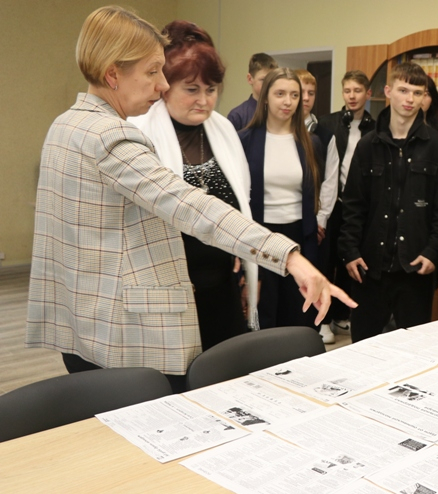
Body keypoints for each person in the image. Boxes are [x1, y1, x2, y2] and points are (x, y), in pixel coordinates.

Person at [26, 6, 354, 393]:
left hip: (83, 321)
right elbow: (192, 206)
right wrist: (291, 258)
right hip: (120, 331)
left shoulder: (66, 124)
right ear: (113, 74)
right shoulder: (110, 137)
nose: (161, 85)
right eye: (152, 72)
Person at [128, 21, 255, 351]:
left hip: (223, 284)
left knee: (227, 366)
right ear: (165, 86)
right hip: (168, 292)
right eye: (191, 89)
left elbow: (242, 203)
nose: (204, 100)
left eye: (211, 90)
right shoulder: (138, 132)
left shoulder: (223, 130)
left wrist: (244, 261)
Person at [339, 62, 438, 342]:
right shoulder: (367, 145)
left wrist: (433, 252)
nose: (410, 99)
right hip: (369, 267)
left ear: (425, 97)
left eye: (417, 93)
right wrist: (350, 250)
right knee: (363, 348)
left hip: (415, 268)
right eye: (403, 90)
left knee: (412, 349)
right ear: (388, 91)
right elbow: (353, 205)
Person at [239, 67, 327, 330]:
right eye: (280, 94)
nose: (288, 102)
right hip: (260, 237)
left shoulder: (311, 143)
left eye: (294, 95)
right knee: (264, 319)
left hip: (300, 238)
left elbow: (315, 194)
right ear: (265, 97)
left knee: (299, 318)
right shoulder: (244, 141)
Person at [318, 70, 376, 337]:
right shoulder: (328, 123)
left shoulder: (375, 127)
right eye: (347, 91)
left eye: (357, 91)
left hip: (359, 205)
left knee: (349, 260)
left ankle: (341, 314)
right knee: (327, 260)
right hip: (334, 202)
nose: (352, 96)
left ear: (368, 93)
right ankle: (323, 318)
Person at [296, 68, 340, 343]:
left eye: (311, 93)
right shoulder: (275, 131)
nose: (306, 98)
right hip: (290, 218)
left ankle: (320, 322)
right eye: (301, 92)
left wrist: (321, 219)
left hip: (317, 220)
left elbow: (330, 180)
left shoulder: (325, 135)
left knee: (318, 269)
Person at [227, 52, 278, 131]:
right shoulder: (237, 116)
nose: (269, 84)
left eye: (272, 79)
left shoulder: (280, 111)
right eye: (263, 80)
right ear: (250, 79)